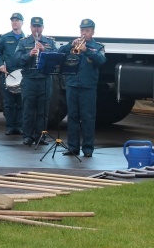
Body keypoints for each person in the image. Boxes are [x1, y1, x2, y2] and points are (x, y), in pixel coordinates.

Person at [58, 18, 106, 157]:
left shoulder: (98, 47)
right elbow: (60, 52)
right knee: (72, 117)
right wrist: (70, 45)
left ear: (93, 31)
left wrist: (86, 51)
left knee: (88, 118)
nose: (84, 33)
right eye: (82, 30)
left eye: (87, 31)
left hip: (88, 86)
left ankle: (88, 149)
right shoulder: (74, 44)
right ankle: (73, 147)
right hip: (72, 85)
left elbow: (101, 60)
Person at [15, 17, 56, 145]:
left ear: (43, 27)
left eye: (39, 26)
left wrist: (44, 51)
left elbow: (57, 57)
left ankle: (40, 136)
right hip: (29, 79)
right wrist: (29, 55)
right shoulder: (24, 42)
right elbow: (16, 60)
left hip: (44, 79)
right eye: (34, 26)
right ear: (30, 27)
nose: (36, 29)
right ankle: (27, 136)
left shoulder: (49, 41)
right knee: (28, 109)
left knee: (43, 110)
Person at [0, 12, 25, 136]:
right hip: (8, 74)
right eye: (13, 20)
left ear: (22, 23)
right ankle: (9, 126)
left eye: (17, 20)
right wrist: (0, 65)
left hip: (21, 74)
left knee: (20, 102)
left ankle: (18, 126)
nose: (15, 22)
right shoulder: (5, 38)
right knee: (8, 103)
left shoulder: (26, 39)